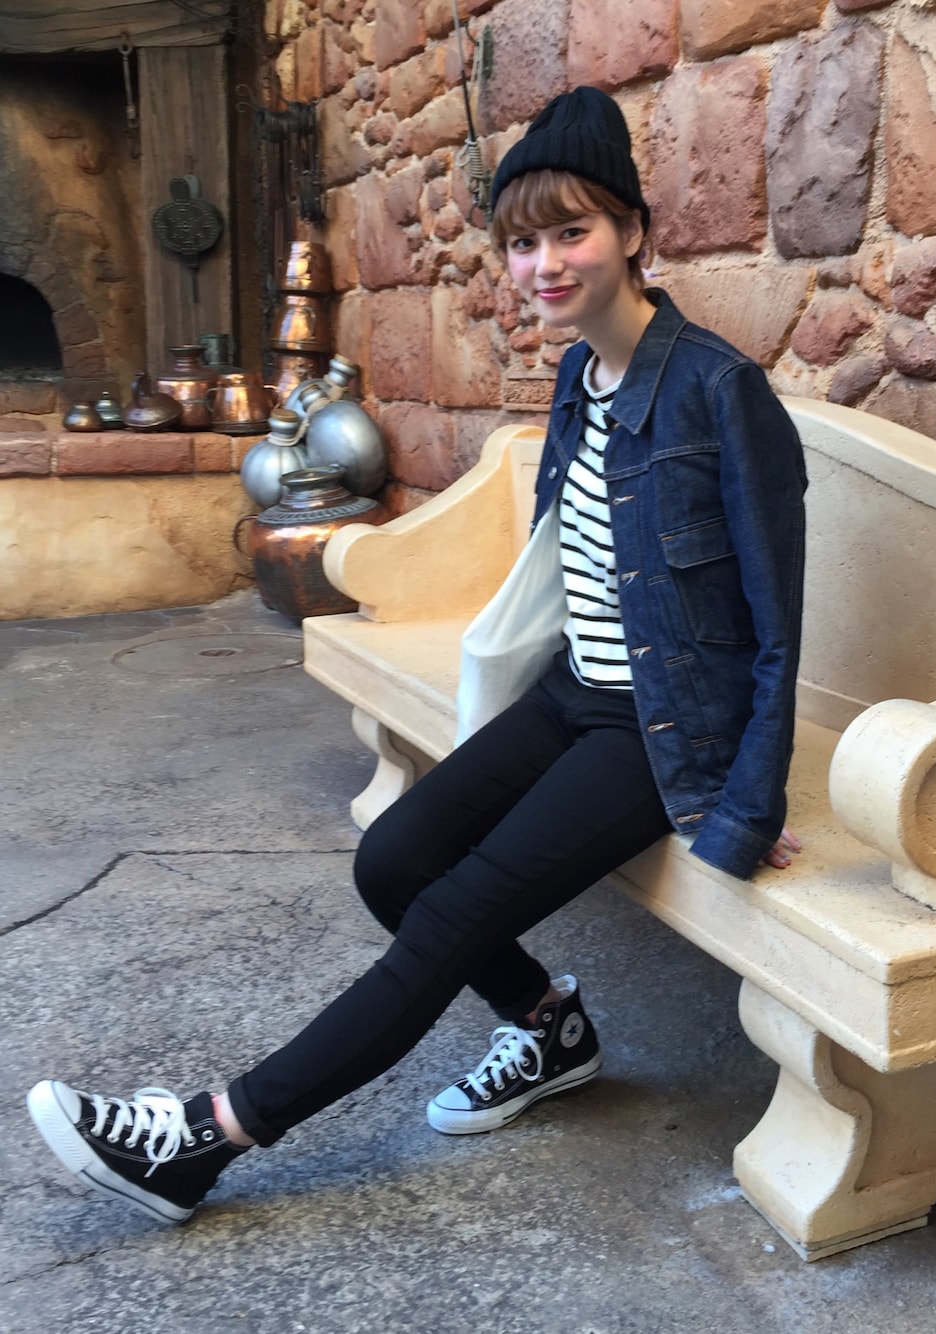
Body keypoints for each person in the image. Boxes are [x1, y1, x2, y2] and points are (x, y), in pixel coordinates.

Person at [26, 87, 806, 1226]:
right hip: (574, 693)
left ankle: (206, 1136)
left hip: (660, 730)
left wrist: (744, 799)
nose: (544, 264)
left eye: (573, 231)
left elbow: (778, 622)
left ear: (635, 231)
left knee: (451, 914)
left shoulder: (719, 391)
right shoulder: (582, 380)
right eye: (524, 242)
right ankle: (549, 1029)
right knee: (391, 860)